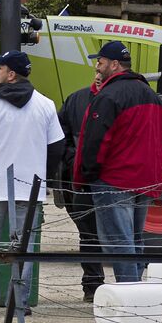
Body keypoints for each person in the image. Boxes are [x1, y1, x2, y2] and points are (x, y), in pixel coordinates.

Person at [0, 51, 64, 314]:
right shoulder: (46, 105)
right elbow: (57, 147)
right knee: (25, 245)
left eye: (0, 68)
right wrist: (42, 176)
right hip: (30, 188)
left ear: (11, 74)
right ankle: (19, 301)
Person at [74, 41, 162, 282]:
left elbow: (96, 140)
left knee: (119, 242)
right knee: (135, 240)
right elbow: (159, 139)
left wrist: (88, 173)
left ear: (114, 65)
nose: (97, 66)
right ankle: (136, 291)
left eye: (101, 62)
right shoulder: (151, 95)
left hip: (114, 179)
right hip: (145, 178)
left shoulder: (108, 96)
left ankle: (129, 293)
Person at [58, 70, 107, 301]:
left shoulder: (121, 99)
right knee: (88, 234)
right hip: (82, 181)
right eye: (97, 70)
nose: (98, 75)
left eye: (103, 70)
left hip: (113, 180)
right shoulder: (76, 100)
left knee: (120, 235)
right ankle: (93, 286)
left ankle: (128, 288)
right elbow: (61, 136)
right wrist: (73, 160)